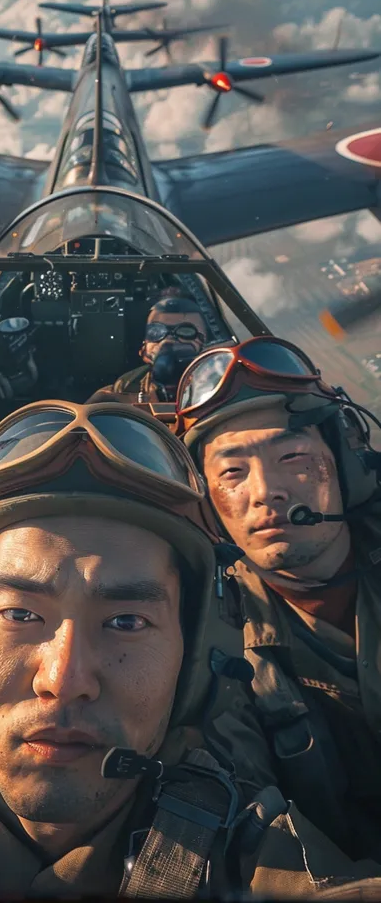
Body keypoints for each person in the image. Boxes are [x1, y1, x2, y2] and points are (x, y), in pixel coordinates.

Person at [0, 399, 378, 897]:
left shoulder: (265, 857)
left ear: (196, 659)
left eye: (126, 621)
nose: (63, 679)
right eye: (20, 614)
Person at [176, 335, 381, 862]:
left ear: (346, 465)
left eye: (292, 457)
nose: (267, 491)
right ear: (206, 504)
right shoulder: (214, 648)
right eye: (232, 472)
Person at [89, 289, 208, 404]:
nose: (167, 340)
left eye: (185, 331)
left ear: (206, 343)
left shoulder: (215, 384)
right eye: (156, 331)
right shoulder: (125, 387)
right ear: (144, 345)